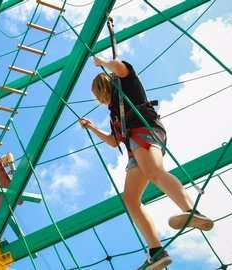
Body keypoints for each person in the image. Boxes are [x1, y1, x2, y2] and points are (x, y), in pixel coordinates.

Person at [79, 56, 214, 270]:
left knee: (154, 171)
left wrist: (103, 61)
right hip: (135, 149)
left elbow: (121, 68)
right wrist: (92, 128)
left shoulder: (126, 85)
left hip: (146, 133)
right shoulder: (114, 113)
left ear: (102, 90)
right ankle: (156, 250)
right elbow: (114, 142)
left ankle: (192, 211)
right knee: (131, 199)